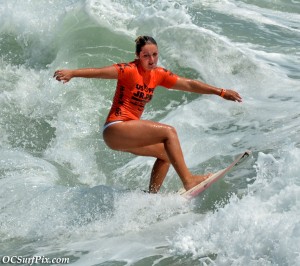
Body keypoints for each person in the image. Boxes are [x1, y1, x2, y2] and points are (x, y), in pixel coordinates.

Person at [54, 35, 242, 193]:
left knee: (166, 154)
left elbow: (189, 84)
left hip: (124, 133)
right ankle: (188, 180)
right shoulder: (128, 70)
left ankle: (151, 197)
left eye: (154, 55)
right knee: (169, 132)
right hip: (116, 127)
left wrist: (221, 92)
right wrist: (72, 73)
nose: (151, 60)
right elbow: (99, 72)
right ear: (137, 55)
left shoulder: (158, 74)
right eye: (146, 56)